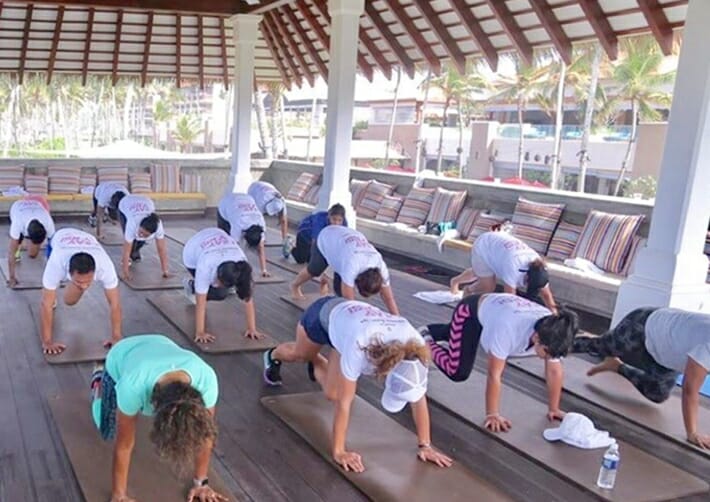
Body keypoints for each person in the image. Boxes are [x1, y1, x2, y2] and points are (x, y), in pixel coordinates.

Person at [263, 297, 453, 472]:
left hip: (349, 325)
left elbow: (418, 397)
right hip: (322, 316)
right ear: (384, 370)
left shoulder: (416, 351)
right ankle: (272, 355)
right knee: (301, 355)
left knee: (332, 394)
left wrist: (425, 445)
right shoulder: (359, 347)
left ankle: (317, 364)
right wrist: (339, 451)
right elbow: (345, 403)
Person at [90, 335, 226, 502]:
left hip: (160, 343)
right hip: (121, 354)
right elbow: (124, 445)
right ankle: (98, 381)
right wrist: (119, 495)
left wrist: (201, 483)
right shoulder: (133, 385)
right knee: (107, 430)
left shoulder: (206, 379)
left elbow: (206, 436)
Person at [421, 293, 578, 433]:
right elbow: (494, 374)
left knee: (455, 335)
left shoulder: (556, 331)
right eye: (546, 353)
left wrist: (554, 408)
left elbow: (554, 371)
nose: (547, 358)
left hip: (497, 310)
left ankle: (431, 331)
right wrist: (493, 414)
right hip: (471, 311)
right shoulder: (508, 329)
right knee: (457, 370)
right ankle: (423, 341)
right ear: (537, 338)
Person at [572, 307, 710, 449]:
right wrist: (692, 433)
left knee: (657, 392)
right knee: (600, 346)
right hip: (644, 326)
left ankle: (615, 365)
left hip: (666, 354)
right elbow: (690, 389)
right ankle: (553, 346)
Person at [40, 228, 122, 355]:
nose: (84, 286)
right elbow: (46, 305)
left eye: (88, 282)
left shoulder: (105, 267)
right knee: (49, 298)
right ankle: (58, 290)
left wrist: (116, 337)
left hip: (86, 238)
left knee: (70, 301)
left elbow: (115, 303)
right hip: (59, 238)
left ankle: (75, 285)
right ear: (69, 273)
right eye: (79, 281)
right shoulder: (56, 264)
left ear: (95, 272)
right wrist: (47, 341)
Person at [290, 225, 399, 315]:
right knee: (315, 270)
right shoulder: (351, 267)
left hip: (345, 245)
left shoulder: (381, 267)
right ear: (357, 281)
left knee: (339, 293)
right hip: (328, 237)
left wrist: (398, 319)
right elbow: (349, 303)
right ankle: (295, 286)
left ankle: (325, 279)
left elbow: (389, 298)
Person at [182, 228, 262, 343]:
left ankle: (199, 286)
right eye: (218, 280)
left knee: (221, 293)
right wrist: (200, 332)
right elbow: (200, 303)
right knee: (216, 292)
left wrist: (252, 329)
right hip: (193, 250)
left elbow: (247, 297)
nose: (217, 283)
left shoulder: (241, 265)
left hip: (217, 239)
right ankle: (191, 285)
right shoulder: (205, 266)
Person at [449, 229, 557, 312]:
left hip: (500, 250)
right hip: (485, 245)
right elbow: (510, 300)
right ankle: (468, 290)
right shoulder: (514, 268)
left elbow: (547, 297)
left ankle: (456, 281)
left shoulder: (541, 269)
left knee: (479, 272)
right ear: (527, 277)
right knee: (488, 287)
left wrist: (556, 317)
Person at [117, 194, 170, 281]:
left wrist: (165, 270)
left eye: (146, 235)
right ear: (140, 225)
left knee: (139, 240)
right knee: (130, 239)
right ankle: (130, 256)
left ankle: (135, 251)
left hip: (145, 201)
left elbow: (162, 249)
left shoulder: (158, 226)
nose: (142, 235)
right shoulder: (132, 222)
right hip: (125, 203)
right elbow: (126, 250)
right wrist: (125, 272)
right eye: (141, 232)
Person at [6, 195, 55, 288]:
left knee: (32, 255)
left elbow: (53, 248)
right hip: (17, 207)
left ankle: (32, 246)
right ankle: (19, 250)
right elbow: (11, 251)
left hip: (37, 206)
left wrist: (53, 273)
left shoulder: (48, 222)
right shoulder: (18, 222)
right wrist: (11, 278)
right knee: (16, 244)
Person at [217, 192, 270, 277]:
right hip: (226, 204)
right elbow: (234, 247)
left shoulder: (261, 225)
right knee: (223, 239)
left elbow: (261, 248)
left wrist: (264, 270)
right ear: (245, 236)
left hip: (246, 199)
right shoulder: (238, 224)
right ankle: (219, 261)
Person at [247, 180, 289, 248]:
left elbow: (284, 220)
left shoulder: (281, 201)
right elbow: (257, 219)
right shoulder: (260, 202)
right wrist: (261, 239)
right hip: (254, 188)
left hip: (267, 187)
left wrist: (285, 239)